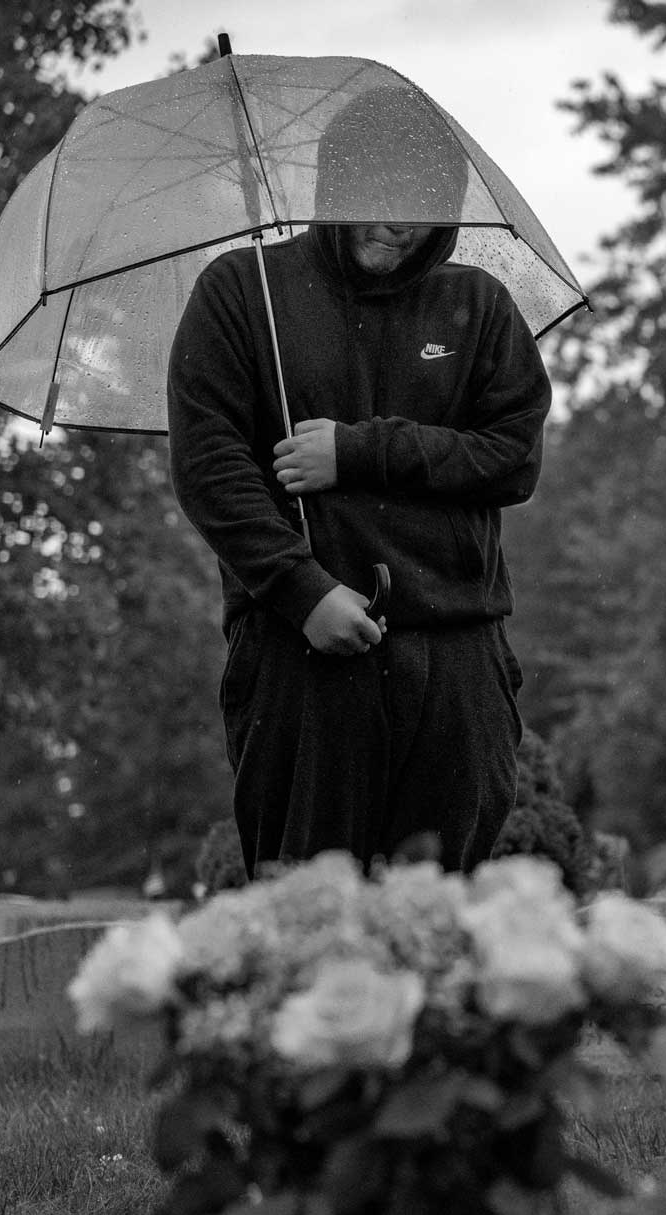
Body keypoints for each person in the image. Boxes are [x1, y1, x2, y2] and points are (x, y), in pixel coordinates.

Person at [167, 85, 552, 879]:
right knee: (307, 919)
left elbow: (513, 458)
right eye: (374, 198)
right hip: (302, 657)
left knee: (443, 925)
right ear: (333, 191)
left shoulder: (478, 306)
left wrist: (364, 452)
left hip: (458, 654)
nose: (395, 223)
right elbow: (210, 469)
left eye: (417, 204)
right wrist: (301, 590)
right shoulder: (243, 296)